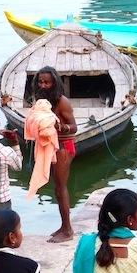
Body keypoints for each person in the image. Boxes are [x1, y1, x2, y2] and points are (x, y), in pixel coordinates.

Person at [32, 66, 77, 243]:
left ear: (54, 83)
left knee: (60, 187)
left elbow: (74, 127)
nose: (43, 85)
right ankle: (63, 226)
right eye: (40, 82)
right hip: (50, 146)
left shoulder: (62, 102)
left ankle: (68, 230)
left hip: (64, 147)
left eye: (47, 82)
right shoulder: (41, 101)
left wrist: (61, 127)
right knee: (56, 189)